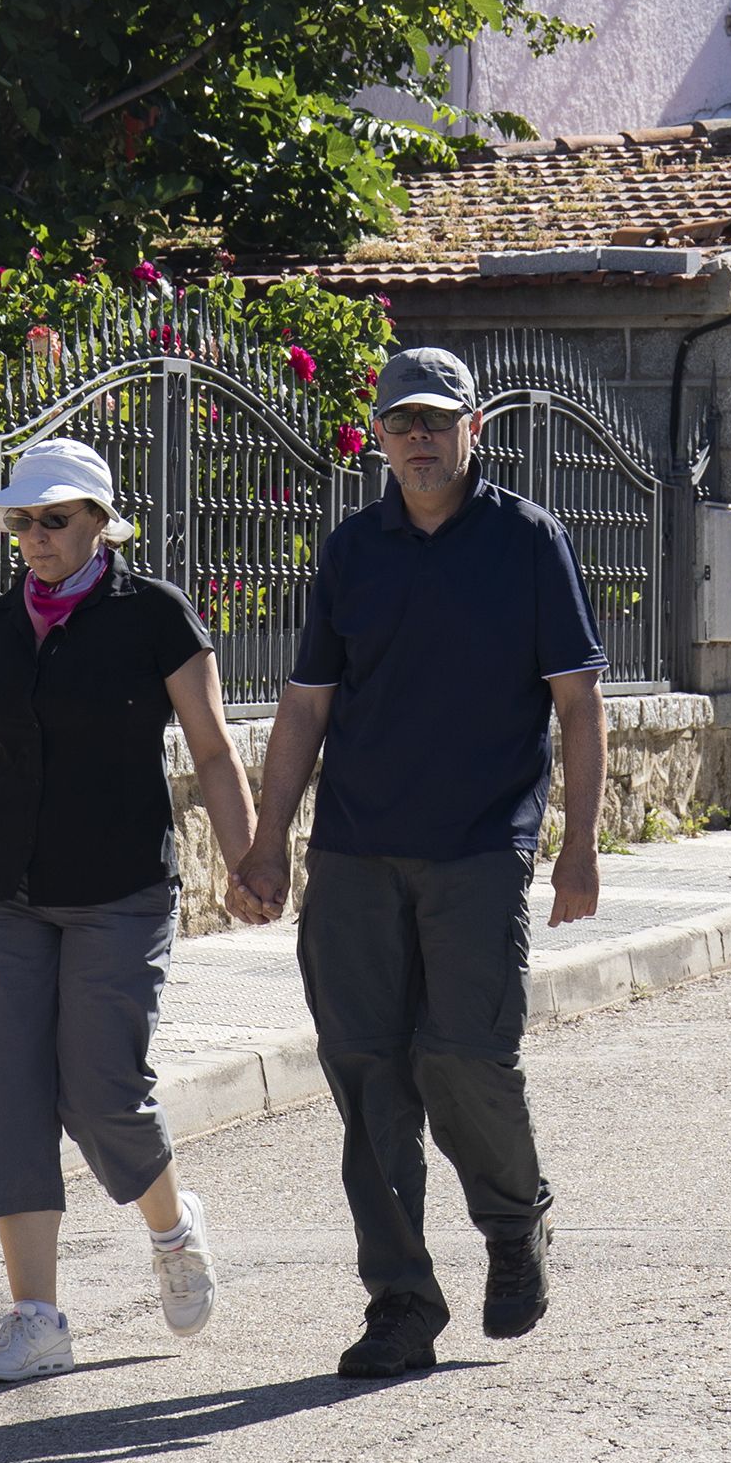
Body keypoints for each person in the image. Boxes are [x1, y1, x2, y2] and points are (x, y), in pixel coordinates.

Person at [228, 346, 607, 1382]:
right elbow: (306, 706)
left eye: (438, 421)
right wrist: (267, 843)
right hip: (353, 850)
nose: (421, 439)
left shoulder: (528, 541)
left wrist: (576, 847)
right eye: (402, 424)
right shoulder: (354, 550)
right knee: (366, 1073)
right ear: (379, 438)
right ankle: (400, 1302)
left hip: (479, 847)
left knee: (462, 1057)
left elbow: (576, 703)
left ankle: (510, 1219)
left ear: (473, 428)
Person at [0, 437, 253, 1384]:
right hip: (1, 893)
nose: (36, 537)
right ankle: (37, 1317)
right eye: (24, 522)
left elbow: (209, 748)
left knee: (102, 1090)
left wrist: (250, 861)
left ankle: (171, 1226)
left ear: (98, 525)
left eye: (55, 519)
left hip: (117, 888)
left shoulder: (153, 616)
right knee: (7, 1099)